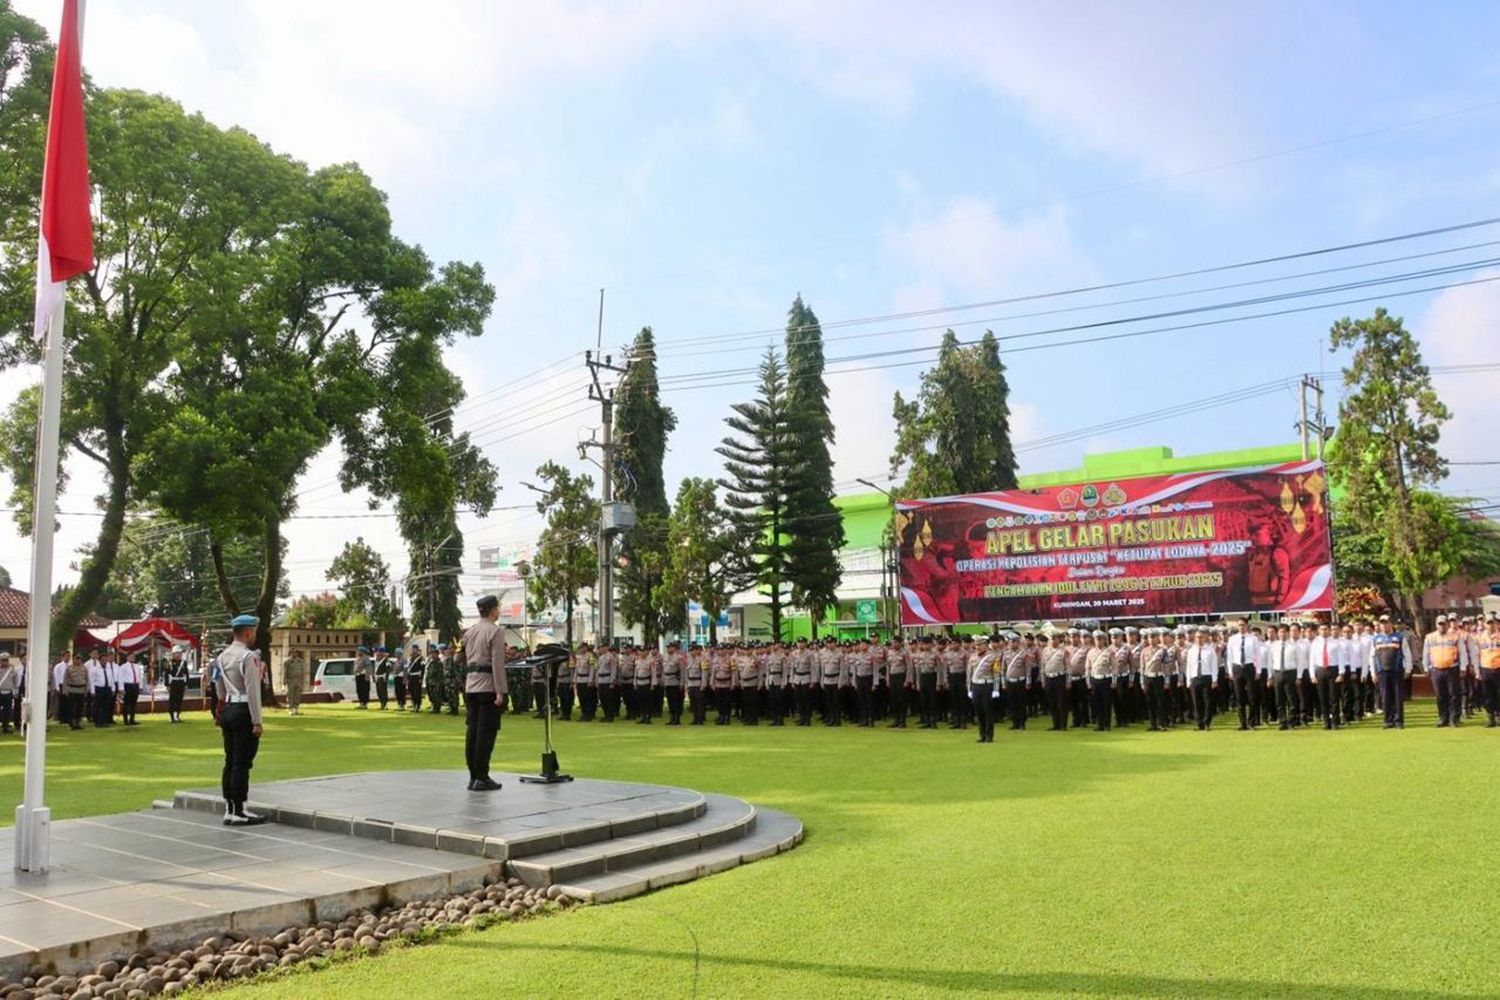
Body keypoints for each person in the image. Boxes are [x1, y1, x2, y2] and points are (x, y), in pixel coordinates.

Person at [211, 614, 268, 826]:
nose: (254, 635)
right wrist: (257, 721)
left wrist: (221, 708)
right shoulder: (248, 657)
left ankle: (229, 808)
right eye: (253, 631)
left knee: (230, 760)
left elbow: (218, 686)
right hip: (244, 709)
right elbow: (253, 692)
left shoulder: (222, 656)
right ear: (247, 632)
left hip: (228, 707)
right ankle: (240, 809)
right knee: (242, 763)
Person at [460, 596, 506, 791]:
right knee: (485, 734)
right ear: (492, 610)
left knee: (472, 733)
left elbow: (457, 657)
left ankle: (473, 776)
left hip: (471, 686)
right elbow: (497, 664)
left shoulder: (469, 632)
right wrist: (501, 691)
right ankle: (482, 776)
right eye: (498, 608)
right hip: (488, 687)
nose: (499, 611)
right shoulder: (495, 631)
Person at [1423, 614, 1467, 727]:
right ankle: (1443, 718)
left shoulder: (1456, 636)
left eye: (1443, 624)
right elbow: (1426, 654)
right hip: (1436, 669)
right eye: (1440, 624)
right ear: (1436, 625)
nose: (1442, 626)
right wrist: (1426, 667)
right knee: (1440, 695)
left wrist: (1463, 668)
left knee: (1454, 694)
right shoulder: (1430, 637)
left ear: (1447, 624)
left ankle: (1454, 718)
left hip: (1452, 668)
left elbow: (1462, 653)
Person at [1226, 619, 1262, 731]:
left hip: (1249, 667)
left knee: (1252, 696)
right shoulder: (1232, 639)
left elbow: (1258, 655)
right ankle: (1242, 723)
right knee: (1239, 697)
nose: (1241, 627)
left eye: (1243, 625)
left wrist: (1258, 671)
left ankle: (1252, 722)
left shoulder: (1253, 639)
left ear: (1247, 626)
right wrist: (1230, 671)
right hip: (1237, 668)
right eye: (1239, 625)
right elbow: (1230, 656)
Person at [1184, 627, 1219, 730]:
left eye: (1201, 637)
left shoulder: (1210, 650)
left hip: (1207, 677)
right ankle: (1199, 723)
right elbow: (1189, 666)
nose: (1199, 639)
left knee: (1207, 701)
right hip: (1195, 678)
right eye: (1197, 637)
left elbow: (1214, 665)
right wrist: (1188, 680)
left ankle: (1207, 722)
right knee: (1196, 702)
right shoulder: (1191, 651)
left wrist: (1214, 679)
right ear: (1195, 638)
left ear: (1205, 638)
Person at [969, 637, 999, 743]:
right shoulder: (972, 657)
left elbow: (996, 674)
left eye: (980, 645)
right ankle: (981, 734)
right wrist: (970, 689)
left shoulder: (992, 657)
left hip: (987, 685)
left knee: (987, 711)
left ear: (985, 645)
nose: (978, 647)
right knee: (978, 711)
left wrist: (996, 689)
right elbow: (970, 674)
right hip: (976, 685)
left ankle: (989, 735)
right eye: (976, 645)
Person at [1477, 616, 1500, 728]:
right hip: (1485, 668)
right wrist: (1477, 671)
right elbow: (1476, 654)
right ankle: (1490, 718)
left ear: (1496, 623)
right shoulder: (1480, 638)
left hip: (1499, 668)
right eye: (1488, 623)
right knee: (1487, 694)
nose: (1491, 625)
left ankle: (1498, 715)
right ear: (1485, 624)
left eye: (1492, 622)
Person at [62, 653, 88, 731]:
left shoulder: (84, 668)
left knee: (80, 708)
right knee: (71, 708)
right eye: (77, 658)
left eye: (79, 658)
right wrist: (65, 690)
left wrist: (86, 690)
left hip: (81, 690)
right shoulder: (69, 668)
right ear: (73, 659)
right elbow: (65, 680)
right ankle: (71, 723)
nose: (78, 660)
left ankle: (77, 722)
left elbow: (87, 679)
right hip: (72, 690)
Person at [165, 649, 190, 722]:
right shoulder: (169, 663)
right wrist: (167, 685)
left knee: (179, 699)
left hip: (181, 682)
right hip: (173, 682)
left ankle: (177, 715)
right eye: (177, 653)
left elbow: (186, 673)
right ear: (173, 654)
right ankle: (171, 716)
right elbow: (166, 674)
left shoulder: (183, 662)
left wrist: (186, 683)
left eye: (180, 653)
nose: (179, 654)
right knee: (172, 699)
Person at [119, 653, 144, 726]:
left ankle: (132, 719)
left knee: (134, 703)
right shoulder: (123, 667)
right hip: (127, 685)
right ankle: (125, 720)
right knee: (126, 704)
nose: (132, 658)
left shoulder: (137, 666)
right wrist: (121, 688)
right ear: (127, 658)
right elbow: (120, 677)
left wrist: (140, 686)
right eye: (131, 657)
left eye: (133, 657)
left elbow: (140, 677)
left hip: (135, 685)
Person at [0, 653, 20, 734]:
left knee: (7, 711)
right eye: (3, 660)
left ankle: (5, 727)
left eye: (6, 660)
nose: (5, 662)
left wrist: (16, 692)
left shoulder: (12, 670)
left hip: (8, 692)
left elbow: (15, 682)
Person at [282, 649, 306, 716]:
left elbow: (302, 671)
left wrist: (302, 681)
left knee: (297, 695)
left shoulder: (300, 661)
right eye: (294, 652)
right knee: (290, 695)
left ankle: (296, 708)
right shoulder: (287, 661)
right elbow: (284, 672)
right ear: (291, 653)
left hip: (298, 679)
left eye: (296, 652)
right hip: (290, 679)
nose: (295, 653)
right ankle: (290, 709)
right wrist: (284, 682)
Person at [407, 642, 425, 713]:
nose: (413, 650)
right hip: (411, 676)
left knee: (417, 691)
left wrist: (421, 678)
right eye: (413, 649)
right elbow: (408, 668)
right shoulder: (410, 658)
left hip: (417, 676)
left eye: (415, 649)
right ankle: (413, 704)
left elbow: (422, 668)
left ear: (417, 650)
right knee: (411, 691)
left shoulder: (420, 658)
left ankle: (418, 705)